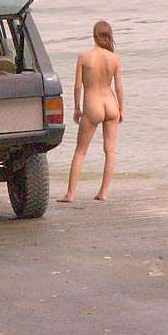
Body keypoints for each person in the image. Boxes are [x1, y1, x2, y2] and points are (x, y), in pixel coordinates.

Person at [58, 21, 124, 202]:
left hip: (93, 105)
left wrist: (76, 107)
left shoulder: (84, 57)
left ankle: (70, 194)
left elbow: (77, 86)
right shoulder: (114, 59)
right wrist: (121, 108)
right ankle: (103, 192)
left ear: (94, 36)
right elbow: (119, 87)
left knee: (80, 151)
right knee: (110, 150)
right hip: (111, 104)